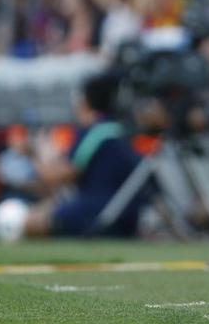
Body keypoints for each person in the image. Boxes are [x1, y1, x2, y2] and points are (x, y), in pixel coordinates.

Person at [23, 73, 142, 237]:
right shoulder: (120, 130)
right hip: (128, 213)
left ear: (85, 102)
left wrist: (33, 152)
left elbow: (56, 177)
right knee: (43, 209)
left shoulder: (96, 132)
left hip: (100, 211)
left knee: (30, 222)